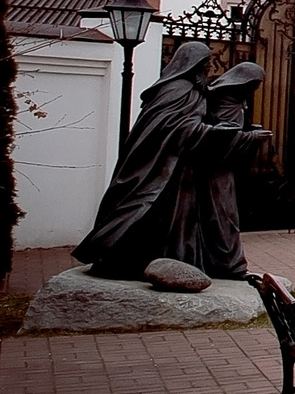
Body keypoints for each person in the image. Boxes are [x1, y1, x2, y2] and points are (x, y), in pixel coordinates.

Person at [75, 40, 214, 277]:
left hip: (177, 169)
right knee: (143, 209)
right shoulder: (177, 89)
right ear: (194, 64)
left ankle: (166, 264)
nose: (210, 69)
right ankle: (118, 257)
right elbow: (173, 127)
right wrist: (213, 132)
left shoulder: (190, 90)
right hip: (156, 166)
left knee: (171, 218)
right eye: (206, 64)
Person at [181, 62, 268, 279]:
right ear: (243, 81)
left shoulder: (234, 98)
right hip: (216, 173)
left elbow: (229, 130)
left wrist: (248, 131)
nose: (254, 90)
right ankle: (228, 263)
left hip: (222, 171)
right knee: (222, 216)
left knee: (224, 216)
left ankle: (227, 262)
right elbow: (219, 139)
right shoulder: (225, 98)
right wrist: (250, 137)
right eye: (254, 85)